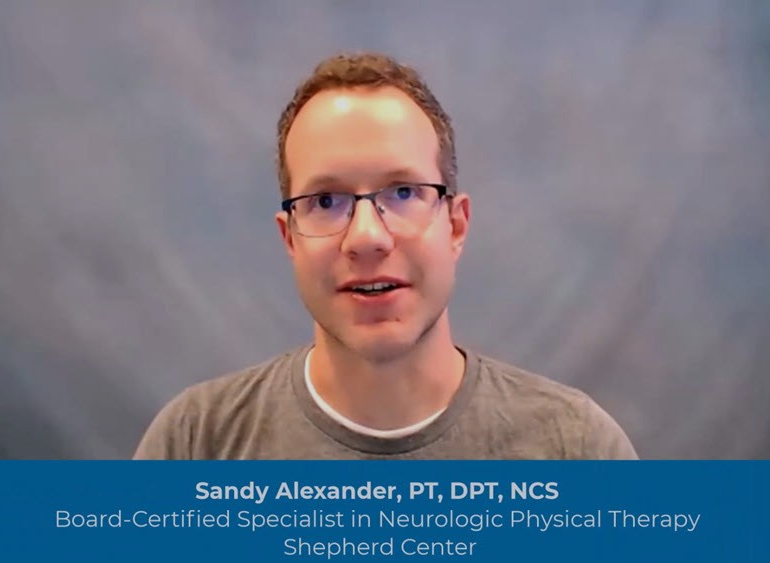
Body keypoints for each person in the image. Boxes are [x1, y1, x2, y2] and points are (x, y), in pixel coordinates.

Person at [133, 52, 637, 460]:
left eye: (402, 193)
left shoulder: (578, 450)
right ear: (289, 239)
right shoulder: (194, 447)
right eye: (326, 202)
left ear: (456, 225)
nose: (367, 237)